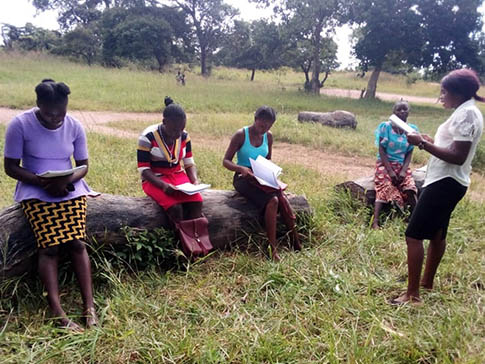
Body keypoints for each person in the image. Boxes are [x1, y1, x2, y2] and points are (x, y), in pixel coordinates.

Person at [3, 79, 97, 330]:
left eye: (61, 113)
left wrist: (66, 180)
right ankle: (57, 312)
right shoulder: (20, 124)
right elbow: (10, 167)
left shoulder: (75, 126)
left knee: (77, 243)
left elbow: (83, 165)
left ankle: (90, 307)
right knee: (50, 248)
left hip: (68, 187)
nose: (56, 118)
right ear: (38, 105)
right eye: (49, 113)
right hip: (35, 189)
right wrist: (40, 181)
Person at [390, 69, 484, 304]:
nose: (441, 96)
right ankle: (426, 283)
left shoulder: (467, 115)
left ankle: (412, 295)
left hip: (445, 182)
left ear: (458, 93)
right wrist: (432, 142)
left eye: (444, 91)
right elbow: (452, 146)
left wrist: (421, 143)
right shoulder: (465, 111)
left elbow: (458, 156)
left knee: (413, 235)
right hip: (449, 180)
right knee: (436, 233)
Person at [223, 106, 301, 261]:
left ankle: (295, 241)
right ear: (255, 119)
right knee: (273, 201)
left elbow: (268, 158)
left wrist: (271, 172)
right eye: (262, 125)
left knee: (283, 199)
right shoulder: (241, 135)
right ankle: (272, 250)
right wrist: (241, 168)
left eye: (268, 126)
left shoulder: (268, 136)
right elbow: (225, 161)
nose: (264, 129)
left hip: (261, 175)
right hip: (243, 178)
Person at [137, 97, 203, 223]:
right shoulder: (147, 137)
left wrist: (194, 181)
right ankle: (179, 238)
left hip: (178, 176)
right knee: (175, 208)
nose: (178, 134)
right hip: (155, 179)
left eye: (181, 129)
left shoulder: (184, 136)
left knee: (197, 203)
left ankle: (195, 239)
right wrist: (163, 185)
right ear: (164, 122)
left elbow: (189, 163)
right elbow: (143, 169)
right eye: (174, 130)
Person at [372, 100, 418, 229]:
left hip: (402, 164)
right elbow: (381, 150)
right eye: (399, 109)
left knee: (410, 187)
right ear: (393, 112)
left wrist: (403, 171)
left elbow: (409, 152)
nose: (402, 112)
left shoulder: (412, 130)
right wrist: (391, 172)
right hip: (385, 163)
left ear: (409, 112)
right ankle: (375, 221)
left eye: (405, 109)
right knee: (385, 185)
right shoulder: (385, 127)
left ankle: (415, 218)